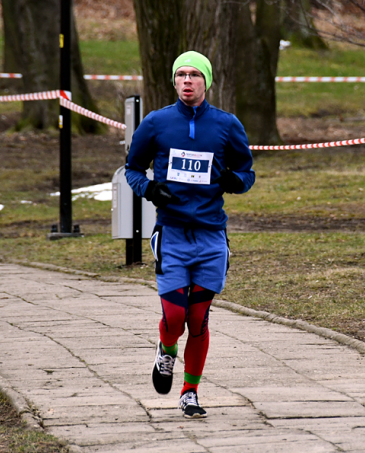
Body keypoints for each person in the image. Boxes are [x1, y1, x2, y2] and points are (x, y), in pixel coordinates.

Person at [125, 50, 255, 418]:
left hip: (212, 236)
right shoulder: (156, 123)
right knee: (175, 317)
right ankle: (166, 350)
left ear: (206, 81)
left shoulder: (227, 125)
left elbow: (247, 173)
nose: (187, 81)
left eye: (194, 75)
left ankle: (190, 392)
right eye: (180, 74)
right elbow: (132, 169)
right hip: (173, 233)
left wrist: (235, 181)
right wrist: (150, 189)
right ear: (173, 81)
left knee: (198, 320)